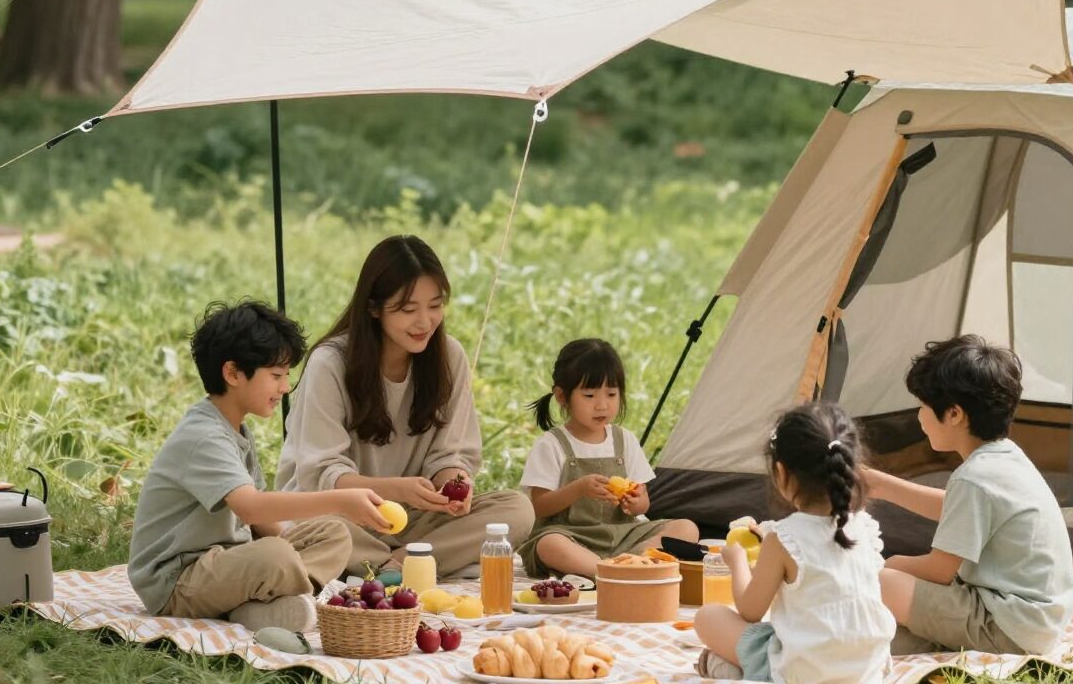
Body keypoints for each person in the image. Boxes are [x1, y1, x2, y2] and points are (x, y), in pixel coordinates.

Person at [277, 234, 534, 578]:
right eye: (408, 309)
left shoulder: (449, 357)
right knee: (315, 528)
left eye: (436, 305)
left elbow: (450, 456)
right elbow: (322, 474)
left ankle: (392, 565)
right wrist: (397, 489)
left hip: (411, 518)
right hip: (339, 512)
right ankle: (411, 562)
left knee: (516, 509)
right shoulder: (331, 363)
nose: (425, 321)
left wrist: (453, 483)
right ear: (373, 308)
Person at [128, 300, 392, 631]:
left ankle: (262, 603)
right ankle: (275, 598)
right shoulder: (203, 436)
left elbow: (261, 522)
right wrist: (341, 500)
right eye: (276, 375)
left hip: (229, 561)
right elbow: (252, 508)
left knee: (333, 533)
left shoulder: (235, 428)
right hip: (178, 580)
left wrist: (297, 540)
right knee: (274, 556)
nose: (285, 387)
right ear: (233, 373)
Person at [868, 335, 1073, 657]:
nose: (919, 417)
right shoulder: (1004, 458)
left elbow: (940, 570)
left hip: (1008, 623)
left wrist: (886, 565)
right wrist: (881, 485)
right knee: (889, 625)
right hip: (1036, 623)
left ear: (954, 414)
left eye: (923, 406)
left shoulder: (974, 479)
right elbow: (959, 510)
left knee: (884, 583)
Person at [692, 403, 896, 684]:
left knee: (708, 617)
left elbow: (750, 611)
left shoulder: (782, 539)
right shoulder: (863, 527)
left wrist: (737, 562)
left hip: (804, 675)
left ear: (781, 472)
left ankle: (727, 670)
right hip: (866, 673)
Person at [519, 338, 699, 579]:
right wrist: (579, 488)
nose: (602, 405)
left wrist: (636, 502)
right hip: (573, 536)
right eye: (590, 395)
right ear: (562, 397)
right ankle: (613, 571)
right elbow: (538, 506)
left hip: (625, 535)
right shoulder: (552, 444)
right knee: (550, 545)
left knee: (686, 528)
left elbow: (644, 502)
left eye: (612, 394)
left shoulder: (624, 440)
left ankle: (629, 565)